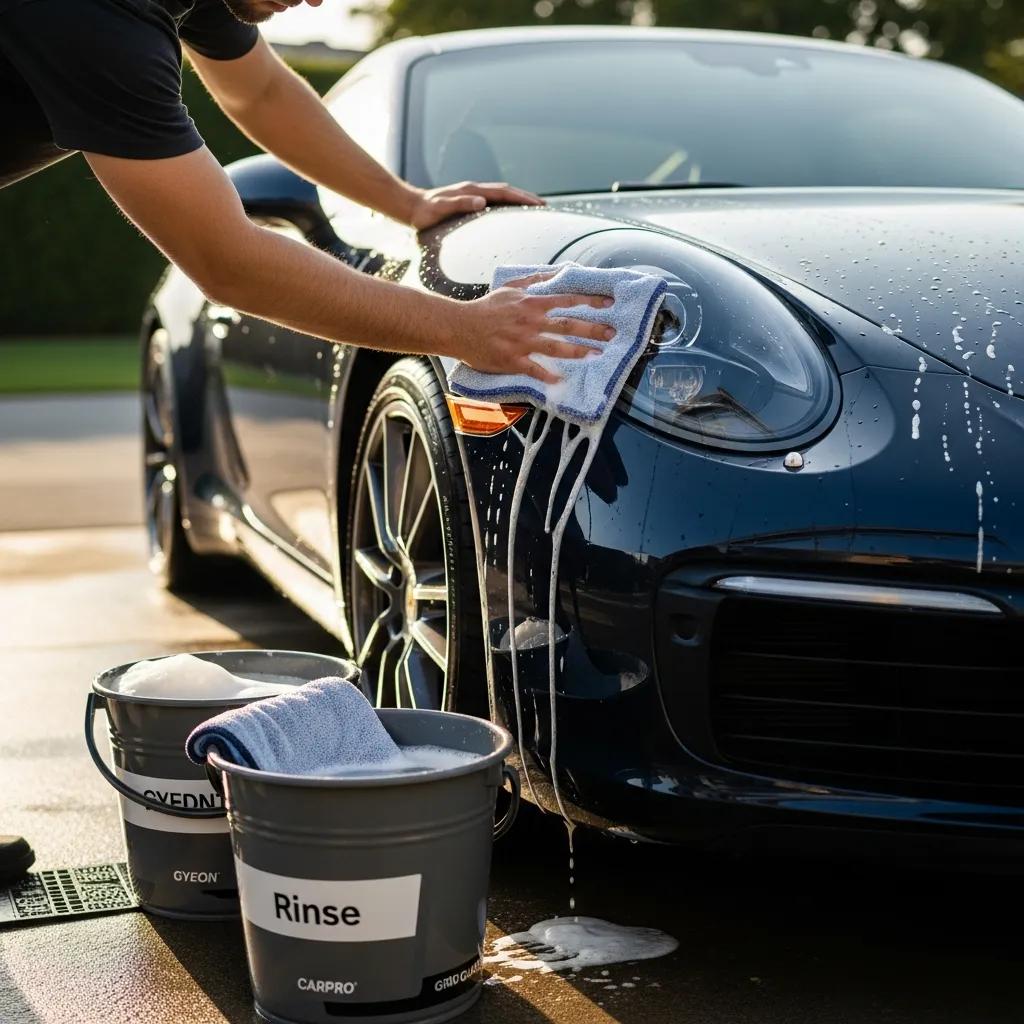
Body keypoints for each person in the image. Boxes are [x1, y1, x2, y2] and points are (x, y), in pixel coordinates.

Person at [0, 0, 615, 884]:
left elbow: (260, 92)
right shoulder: (94, 14)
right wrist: (467, 330)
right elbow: (230, 259)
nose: (321, 1)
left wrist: (406, 204)